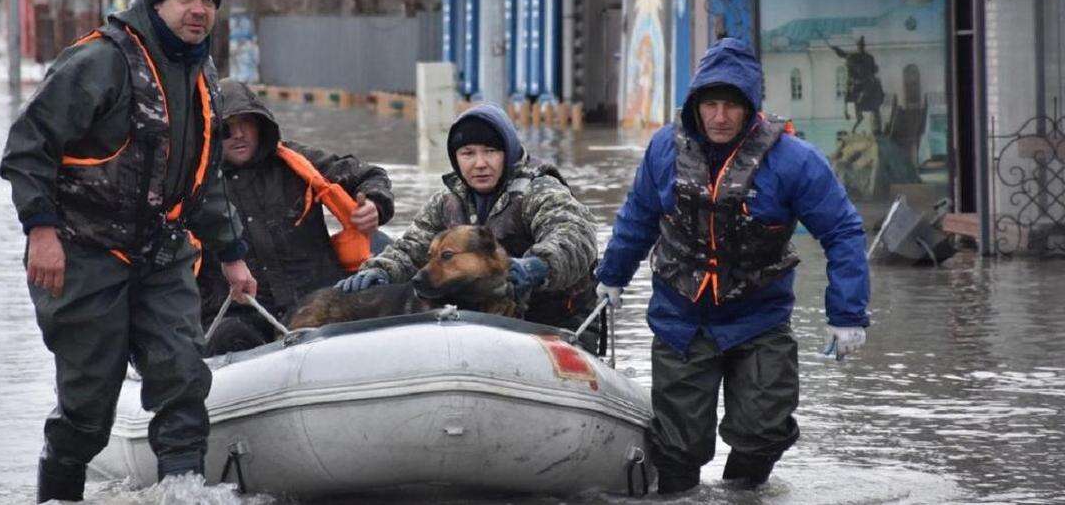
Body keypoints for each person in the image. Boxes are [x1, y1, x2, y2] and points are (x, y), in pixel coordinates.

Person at [0, 0, 258, 501]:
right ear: (156, 0)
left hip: (163, 254)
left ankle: (184, 491)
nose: (199, 11)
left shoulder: (203, 73)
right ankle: (58, 489)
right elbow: (28, 148)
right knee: (89, 404)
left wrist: (232, 256)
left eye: (208, 1)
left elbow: (204, 179)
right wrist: (41, 233)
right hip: (84, 252)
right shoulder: (99, 61)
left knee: (184, 377)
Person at [595, 38, 870, 493]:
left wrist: (847, 315)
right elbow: (638, 216)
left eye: (731, 107)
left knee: (764, 431)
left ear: (751, 109)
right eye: (711, 105)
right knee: (678, 447)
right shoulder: (664, 149)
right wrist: (611, 277)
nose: (720, 117)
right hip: (681, 317)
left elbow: (842, 231)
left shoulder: (794, 161)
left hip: (758, 317)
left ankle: (743, 495)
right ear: (696, 106)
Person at [339, 103, 602, 350]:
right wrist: (380, 271)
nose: (480, 163)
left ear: (507, 153)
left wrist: (537, 266)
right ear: (456, 159)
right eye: (468, 154)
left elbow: (575, 235)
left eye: (490, 151)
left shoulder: (540, 191)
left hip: (556, 324)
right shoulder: (447, 202)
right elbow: (412, 247)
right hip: (483, 324)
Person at [197, 79, 395, 353]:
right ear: (212, 130)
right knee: (228, 336)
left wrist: (375, 204)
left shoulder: (297, 161)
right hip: (244, 313)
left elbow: (369, 174)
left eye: (248, 123)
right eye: (228, 127)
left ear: (261, 124)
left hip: (317, 301)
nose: (239, 134)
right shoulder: (193, 183)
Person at [826, 34, 884, 134]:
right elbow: (843, 54)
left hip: (867, 82)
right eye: (859, 45)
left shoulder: (869, 57)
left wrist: (871, 72)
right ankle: (848, 112)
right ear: (858, 46)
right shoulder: (854, 56)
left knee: (872, 86)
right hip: (858, 83)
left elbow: (873, 69)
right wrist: (836, 49)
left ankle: (876, 125)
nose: (861, 47)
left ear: (864, 46)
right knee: (849, 92)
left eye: (862, 45)